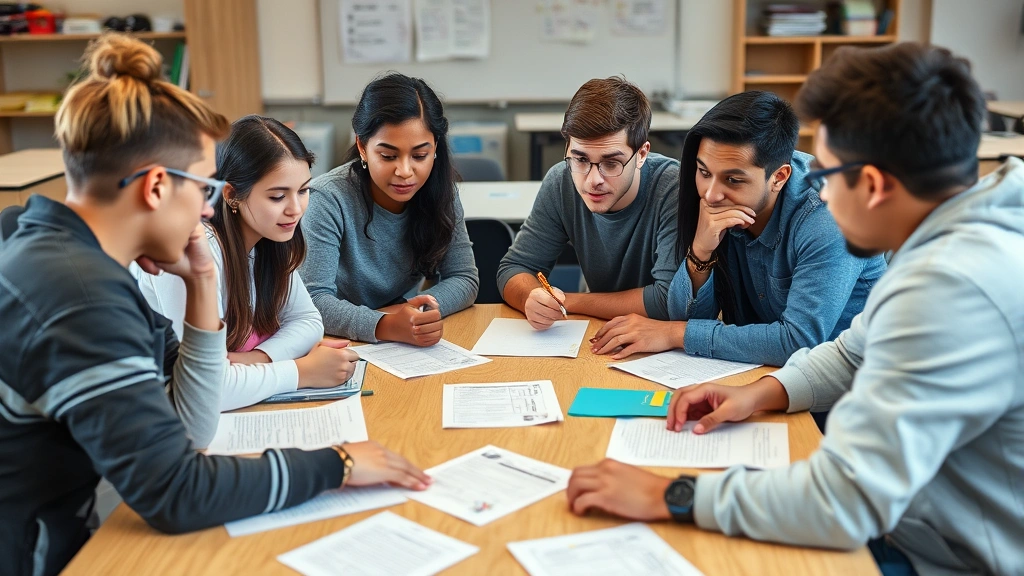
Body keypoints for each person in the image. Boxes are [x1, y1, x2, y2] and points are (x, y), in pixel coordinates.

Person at [565, 42, 1024, 576]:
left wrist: (674, 495)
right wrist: (762, 393)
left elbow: (843, 502)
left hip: (944, 557)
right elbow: (854, 353)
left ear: (873, 185)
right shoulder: (954, 243)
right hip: (912, 522)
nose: (821, 195)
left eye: (826, 175)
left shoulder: (949, 289)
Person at [0, 34, 428, 576]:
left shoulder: (64, 255)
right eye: (202, 187)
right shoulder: (78, 298)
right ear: (156, 187)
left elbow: (191, 425)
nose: (208, 206)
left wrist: (203, 282)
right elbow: (176, 492)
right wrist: (336, 464)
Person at [590, 91, 886, 366]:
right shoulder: (715, 200)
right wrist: (701, 252)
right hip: (763, 373)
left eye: (733, 180)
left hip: (851, 390)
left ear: (779, 177)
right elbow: (686, 315)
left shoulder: (829, 216)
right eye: (704, 172)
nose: (711, 194)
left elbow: (798, 342)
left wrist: (673, 334)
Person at [133, 115, 359, 411]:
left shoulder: (270, 237)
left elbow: (308, 321)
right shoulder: (191, 253)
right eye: (278, 196)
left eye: (303, 191)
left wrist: (259, 359)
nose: (295, 209)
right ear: (231, 195)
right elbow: (206, 391)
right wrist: (302, 372)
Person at [300, 73, 479, 346]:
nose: (405, 171)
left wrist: (416, 312)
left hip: (400, 337)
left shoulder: (441, 191)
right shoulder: (327, 199)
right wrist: (386, 324)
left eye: (419, 155)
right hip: (335, 342)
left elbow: (464, 278)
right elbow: (314, 300)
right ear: (362, 147)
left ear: (435, 148)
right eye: (388, 156)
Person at [496, 77, 680, 330]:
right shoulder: (561, 180)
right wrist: (531, 297)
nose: (593, 181)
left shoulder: (673, 187)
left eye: (611, 163)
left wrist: (568, 301)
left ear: (641, 155)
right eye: (580, 160)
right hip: (598, 331)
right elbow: (514, 268)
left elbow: (667, 300)